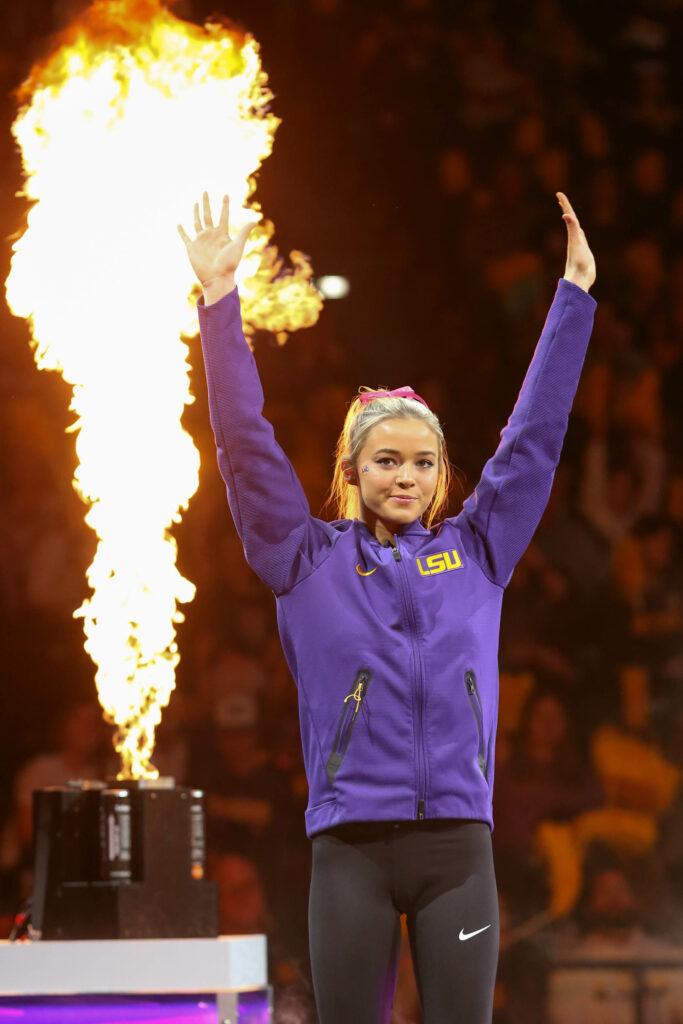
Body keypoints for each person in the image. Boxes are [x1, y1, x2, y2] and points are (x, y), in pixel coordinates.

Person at [178, 189, 597, 1023]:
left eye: (422, 463)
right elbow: (244, 445)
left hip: (457, 853)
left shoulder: (478, 550)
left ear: (443, 475)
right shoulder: (303, 560)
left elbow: (534, 437)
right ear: (350, 469)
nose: (404, 477)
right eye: (384, 461)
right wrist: (219, 306)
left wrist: (573, 297)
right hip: (350, 854)